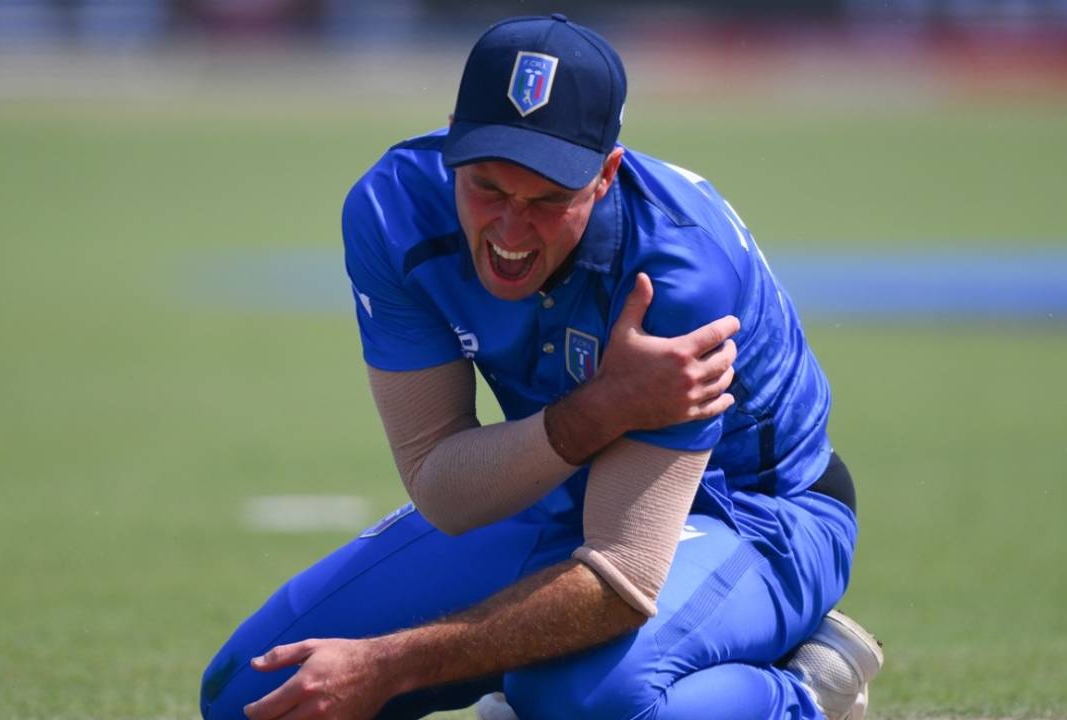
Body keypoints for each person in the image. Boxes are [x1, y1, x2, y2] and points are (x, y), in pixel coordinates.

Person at [201, 14, 883, 720]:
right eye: (488, 189)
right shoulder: (393, 207)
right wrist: (606, 407)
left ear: (605, 174)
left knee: (570, 701)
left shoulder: (681, 267)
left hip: (759, 512)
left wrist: (386, 665)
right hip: (565, 480)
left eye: (549, 199)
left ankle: (805, 691)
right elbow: (445, 488)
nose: (511, 230)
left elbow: (623, 577)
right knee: (254, 697)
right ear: (452, 147)